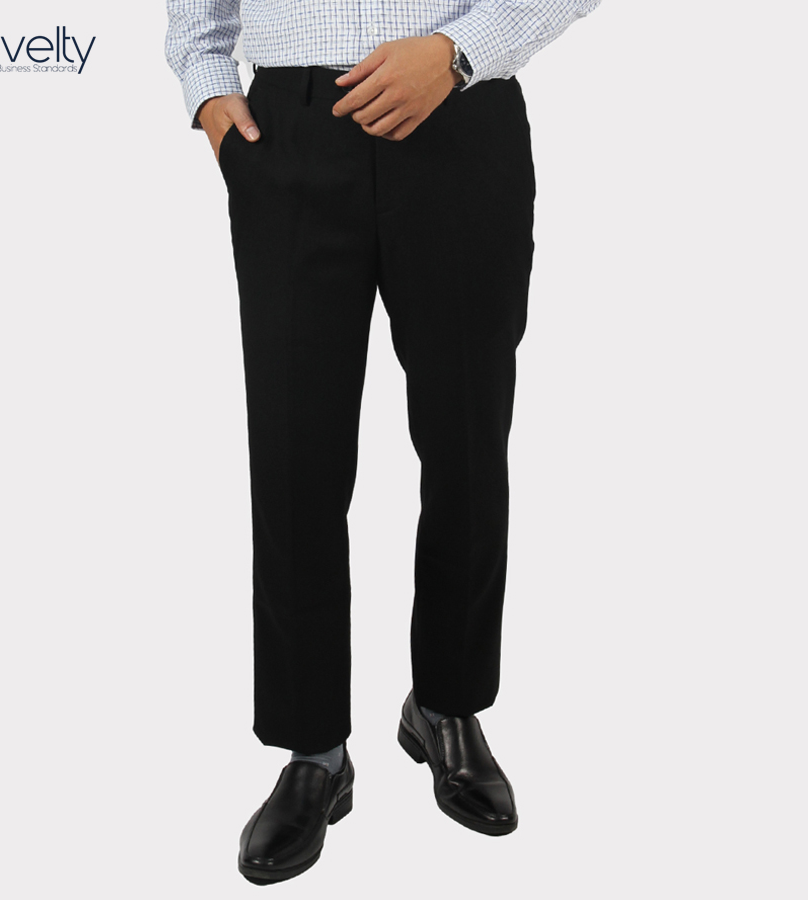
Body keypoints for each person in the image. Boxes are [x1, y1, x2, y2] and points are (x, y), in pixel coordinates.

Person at [165, 0, 601, 884]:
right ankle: (313, 751)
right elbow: (197, 19)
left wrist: (460, 52)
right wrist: (211, 97)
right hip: (289, 136)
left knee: (466, 441)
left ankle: (446, 706)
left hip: (459, 116)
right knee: (294, 456)